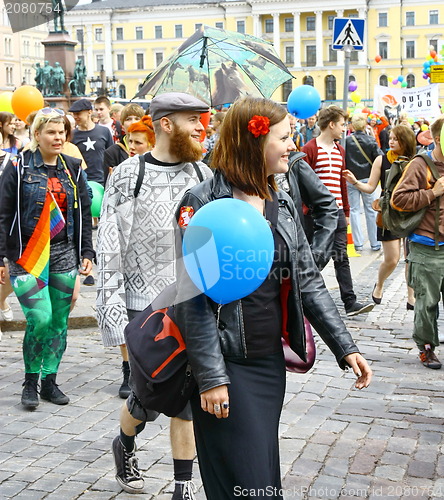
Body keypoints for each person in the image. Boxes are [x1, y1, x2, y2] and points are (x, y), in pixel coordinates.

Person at [173, 96, 372, 499]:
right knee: (245, 485)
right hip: (226, 367)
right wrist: (212, 378)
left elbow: (307, 279)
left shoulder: (278, 199)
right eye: (284, 137)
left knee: (263, 477)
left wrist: (344, 346)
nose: (293, 146)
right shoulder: (201, 202)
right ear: (254, 141)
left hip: (267, 364)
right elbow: (190, 299)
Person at [96, 92, 212, 498]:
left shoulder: (202, 173)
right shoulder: (130, 174)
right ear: (166, 124)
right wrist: (111, 313)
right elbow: (109, 243)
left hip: (188, 302)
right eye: (192, 120)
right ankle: (124, 443)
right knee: (146, 399)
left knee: (187, 397)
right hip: (141, 304)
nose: (202, 127)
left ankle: (182, 486)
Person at [0, 107, 94, 409]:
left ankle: (49, 382)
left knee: (58, 321)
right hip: (27, 254)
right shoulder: (18, 166)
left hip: (64, 252)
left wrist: (87, 252)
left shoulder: (74, 168)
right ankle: (30, 381)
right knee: (39, 318)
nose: (57, 137)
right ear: (36, 134)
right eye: (50, 132)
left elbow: (82, 215)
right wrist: (2, 255)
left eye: (61, 132)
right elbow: (3, 214)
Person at [302, 106, 374, 317]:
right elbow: (304, 184)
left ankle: (350, 302)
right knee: (316, 257)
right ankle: (306, 298)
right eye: (342, 124)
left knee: (341, 256)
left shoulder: (340, 150)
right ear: (331, 124)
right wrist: (308, 209)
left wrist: (347, 211)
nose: (344, 128)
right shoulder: (309, 149)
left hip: (338, 211)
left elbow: (342, 183)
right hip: (318, 215)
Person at [343, 125, 417, 309]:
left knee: (411, 258)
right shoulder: (381, 160)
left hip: (410, 213)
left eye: (395, 139)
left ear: (405, 141)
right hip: (388, 214)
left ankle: (411, 297)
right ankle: (380, 284)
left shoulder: (415, 161)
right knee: (392, 259)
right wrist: (355, 183)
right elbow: (370, 187)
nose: (391, 142)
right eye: (390, 138)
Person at [392, 116, 444, 369]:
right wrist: (432, 192)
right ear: (437, 139)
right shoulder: (421, 164)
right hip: (426, 247)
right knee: (427, 303)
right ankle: (426, 347)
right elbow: (398, 199)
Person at [345, 113, 383, 252]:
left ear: (353, 125)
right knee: (370, 210)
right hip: (368, 179)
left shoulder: (347, 141)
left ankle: (358, 243)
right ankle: (374, 242)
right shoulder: (371, 140)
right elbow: (379, 158)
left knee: (354, 210)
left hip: (351, 178)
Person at [102, 102, 145, 184]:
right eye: (128, 119)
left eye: (137, 118)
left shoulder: (151, 148)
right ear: (122, 125)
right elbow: (108, 186)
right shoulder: (112, 152)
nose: (133, 122)